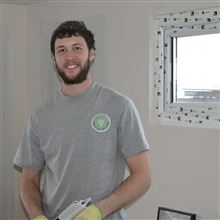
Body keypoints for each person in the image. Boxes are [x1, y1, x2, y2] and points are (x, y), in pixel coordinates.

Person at [13, 20, 151, 220]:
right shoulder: (39, 117)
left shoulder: (119, 106)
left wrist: (97, 211)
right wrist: (37, 216)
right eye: (61, 50)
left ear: (91, 54)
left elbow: (142, 176)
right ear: (54, 59)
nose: (69, 56)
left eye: (77, 48)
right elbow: (28, 180)